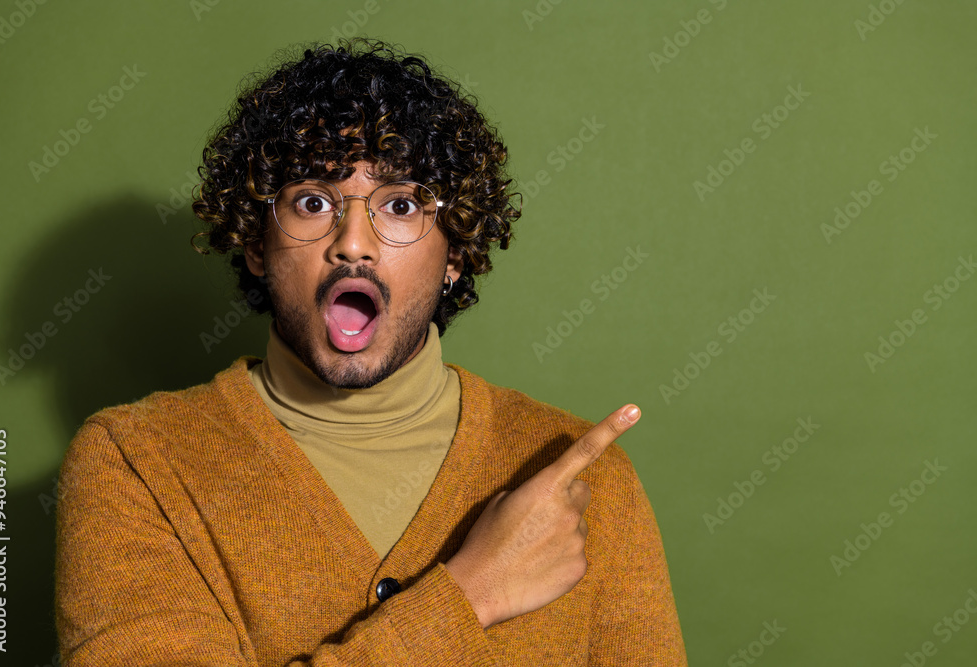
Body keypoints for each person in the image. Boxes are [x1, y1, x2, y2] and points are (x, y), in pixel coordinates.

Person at [54, 38, 687, 665]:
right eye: (312, 202)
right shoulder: (134, 465)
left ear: (456, 254)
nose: (353, 243)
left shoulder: (584, 486)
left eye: (402, 204)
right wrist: (472, 596)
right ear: (255, 245)